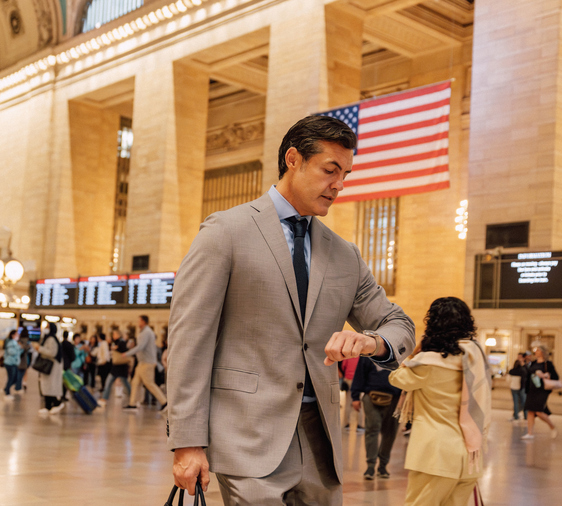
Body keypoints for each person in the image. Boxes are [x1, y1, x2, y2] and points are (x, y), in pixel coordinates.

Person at [167, 115, 415, 503]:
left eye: (345, 173)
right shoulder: (225, 233)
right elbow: (189, 341)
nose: (339, 184)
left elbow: (397, 323)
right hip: (248, 437)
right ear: (294, 159)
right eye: (330, 170)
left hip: (321, 441)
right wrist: (187, 441)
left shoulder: (344, 254)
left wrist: (372, 342)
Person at [388, 297, 491, 506]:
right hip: (471, 456)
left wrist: (413, 354)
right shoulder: (476, 357)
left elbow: (396, 378)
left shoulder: (427, 363)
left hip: (436, 456)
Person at [350, 356, 401, 480]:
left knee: (390, 432)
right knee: (372, 429)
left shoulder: (400, 353)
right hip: (370, 396)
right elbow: (359, 374)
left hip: (394, 398)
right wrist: (355, 397)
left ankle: (383, 466)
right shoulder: (368, 353)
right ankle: (371, 466)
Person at [123, 316, 168, 412]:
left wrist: (127, 353)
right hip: (142, 363)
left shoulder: (147, 332)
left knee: (149, 384)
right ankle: (132, 404)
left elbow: (140, 346)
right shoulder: (144, 332)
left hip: (147, 363)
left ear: (143, 322)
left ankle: (164, 402)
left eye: (139, 320)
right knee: (135, 383)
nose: (137, 322)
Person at [523, 345, 559, 439]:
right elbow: (528, 373)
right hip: (532, 389)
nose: (536, 352)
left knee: (538, 411)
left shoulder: (548, 364)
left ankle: (552, 426)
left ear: (543, 352)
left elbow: (555, 376)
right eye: (535, 350)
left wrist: (546, 374)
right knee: (530, 411)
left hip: (542, 390)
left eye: (538, 350)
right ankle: (530, 433)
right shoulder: (533, 363)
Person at [35, 322, 64, 414]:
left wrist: (39, 348)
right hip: (49, 367)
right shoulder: (49, 338)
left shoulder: (51, 339)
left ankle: (56, 403)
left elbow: (52, 353)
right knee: (47, 386)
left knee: (50, 386)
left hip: (52, 367)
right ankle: (48, 407)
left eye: (47, 327)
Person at [98, 330, 132, 406]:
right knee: (111, 382)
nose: (113, 335)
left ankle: (133, 399)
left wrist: (116, 348)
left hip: (120, 367)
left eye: (114, 334)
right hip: (117, 367)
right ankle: (104, 398)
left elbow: (125, 351)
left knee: (123, 383)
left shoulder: (121, 342)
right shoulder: (116, 342)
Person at [508, 354, 529, 422]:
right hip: (521, 388)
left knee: (516, 402)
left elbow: (508, 379)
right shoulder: (523, 370)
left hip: (514, 388)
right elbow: (524, 379)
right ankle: (525, 416)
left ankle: (516, 416)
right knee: (523, 402)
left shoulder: (512, 371)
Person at [3, 330, 22, 399]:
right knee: (11, 378)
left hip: (14, 363)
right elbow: (11, 352)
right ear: (12, 335)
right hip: (9, 363)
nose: (18, 336)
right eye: (17, 334)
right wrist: (18, 347)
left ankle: (6, 389)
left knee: (14, 379)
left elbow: (17, 353)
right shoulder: (11, 343)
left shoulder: (15, 343)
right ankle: (7, 392)